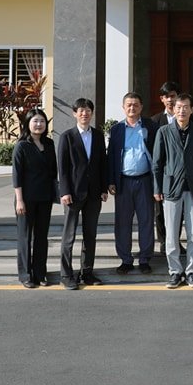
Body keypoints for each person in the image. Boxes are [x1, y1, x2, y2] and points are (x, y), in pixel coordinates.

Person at [152, 93, 193, 289]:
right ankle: (175, 271)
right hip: (171, 188)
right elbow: (157, 163)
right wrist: (157, 188)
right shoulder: (163, 131)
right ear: (173, 109)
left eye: (186, 107)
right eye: (178, 107)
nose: (182, 110)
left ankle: (192, 271)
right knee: (171, 234)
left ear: (192, 110)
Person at [57, 98, 109, 290]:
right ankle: (66, 275)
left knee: (90, 235)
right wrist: (64, 191)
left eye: (88, 110)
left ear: (92, 113)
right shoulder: (67, 137)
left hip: (94, 194)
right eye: (81, 110)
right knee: (69, 236)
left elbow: (102, 163)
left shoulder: (98, 135)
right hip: (73, 194)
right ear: (74, 113)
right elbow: (62, 167)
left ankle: (87, 272)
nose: (84, 114)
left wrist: (103, 188)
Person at [107, 93, 158, 275]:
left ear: (141, 107)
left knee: (146, 221)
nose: (132, 108)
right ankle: (126, 259)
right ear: (123, 107)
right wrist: (111, 180)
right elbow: (111, 156)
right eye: (128, 105)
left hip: (144, 180)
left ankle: (145, 259)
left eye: (135, 104)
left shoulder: (150, 126)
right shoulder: (116, 129)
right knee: (123, 222)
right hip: (123, 182)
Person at [12, 108, 58, 289]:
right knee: (25, 237)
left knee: (41, 237)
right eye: (35, 121)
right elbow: (17, 175)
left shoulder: (49, 144)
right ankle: (25, 275)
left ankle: (40, 273)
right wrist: (19, 200)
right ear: (28, 124)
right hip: (25, 199)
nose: (39, 124)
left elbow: (53, 171)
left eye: (42, 121)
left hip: (44, 198)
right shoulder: (22, 146)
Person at [150, 81, 180, 244]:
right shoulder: (154, 121)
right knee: (159, 210)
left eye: (173, 96)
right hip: (162, 172)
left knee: (180, 210)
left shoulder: (186, 118)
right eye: (166, 96)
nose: (170, 100)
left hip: (180, 172)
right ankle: (163, 242)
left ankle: (175, 241)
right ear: (162, 99)